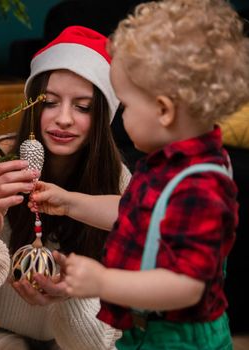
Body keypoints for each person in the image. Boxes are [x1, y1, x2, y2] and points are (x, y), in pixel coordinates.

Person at [30, 0, 249, 348]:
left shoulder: (201, 184)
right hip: (144, 329)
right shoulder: (168, 162)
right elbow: (134, 212)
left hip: (180, 339)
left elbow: (187, 286)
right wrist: (71, 202)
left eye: (127, 105)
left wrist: (103, 282)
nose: (122, 118)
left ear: (163, 110)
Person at [0, 26, 131, 350]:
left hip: (69, 339)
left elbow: (98, 342)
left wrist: (70, 294)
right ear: (32, 106)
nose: (64, 119)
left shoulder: (120, 186)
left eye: (82, 107)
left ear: (102, 117)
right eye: (50, 102)